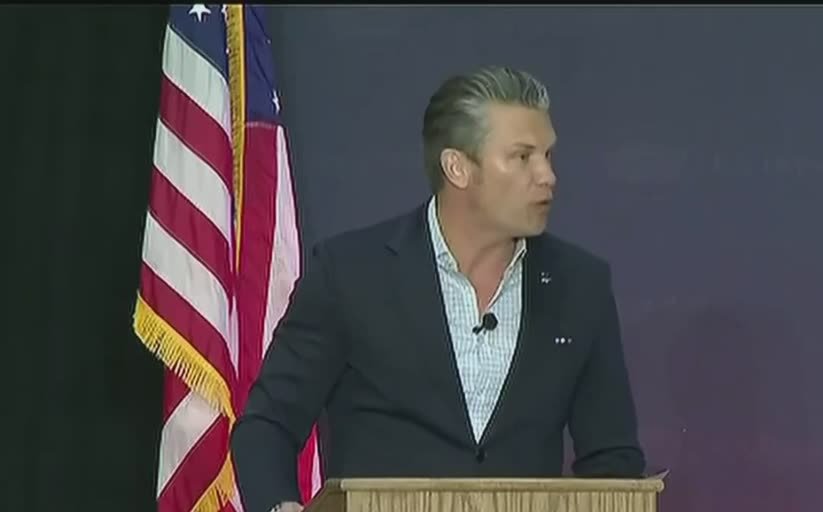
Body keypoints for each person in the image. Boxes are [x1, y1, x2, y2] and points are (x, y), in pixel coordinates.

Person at [231, 65, 646, 512]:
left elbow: (613, 460)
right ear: (457, 168)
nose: (547, 175)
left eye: (548, 155)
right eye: (523, 157)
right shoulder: (351, 274)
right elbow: (267, 425)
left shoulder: (579, 286)